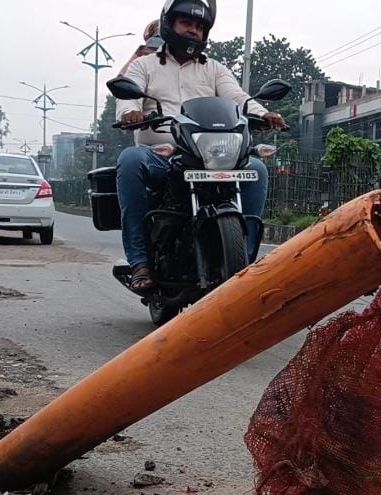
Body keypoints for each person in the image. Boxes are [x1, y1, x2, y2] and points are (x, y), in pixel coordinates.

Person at [115, 0, 286, 291]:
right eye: (187, 23)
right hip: (161, 155)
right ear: (170, 24)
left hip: (209, 153)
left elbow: (238, 98)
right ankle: (140, 262)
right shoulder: (144, 66)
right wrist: (130, 112)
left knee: (256, 168)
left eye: (199, 26)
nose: (193, 30)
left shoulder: (215, 70)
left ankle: (244, 257)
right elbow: (127, 97)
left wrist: (262, 114)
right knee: (130, 160)